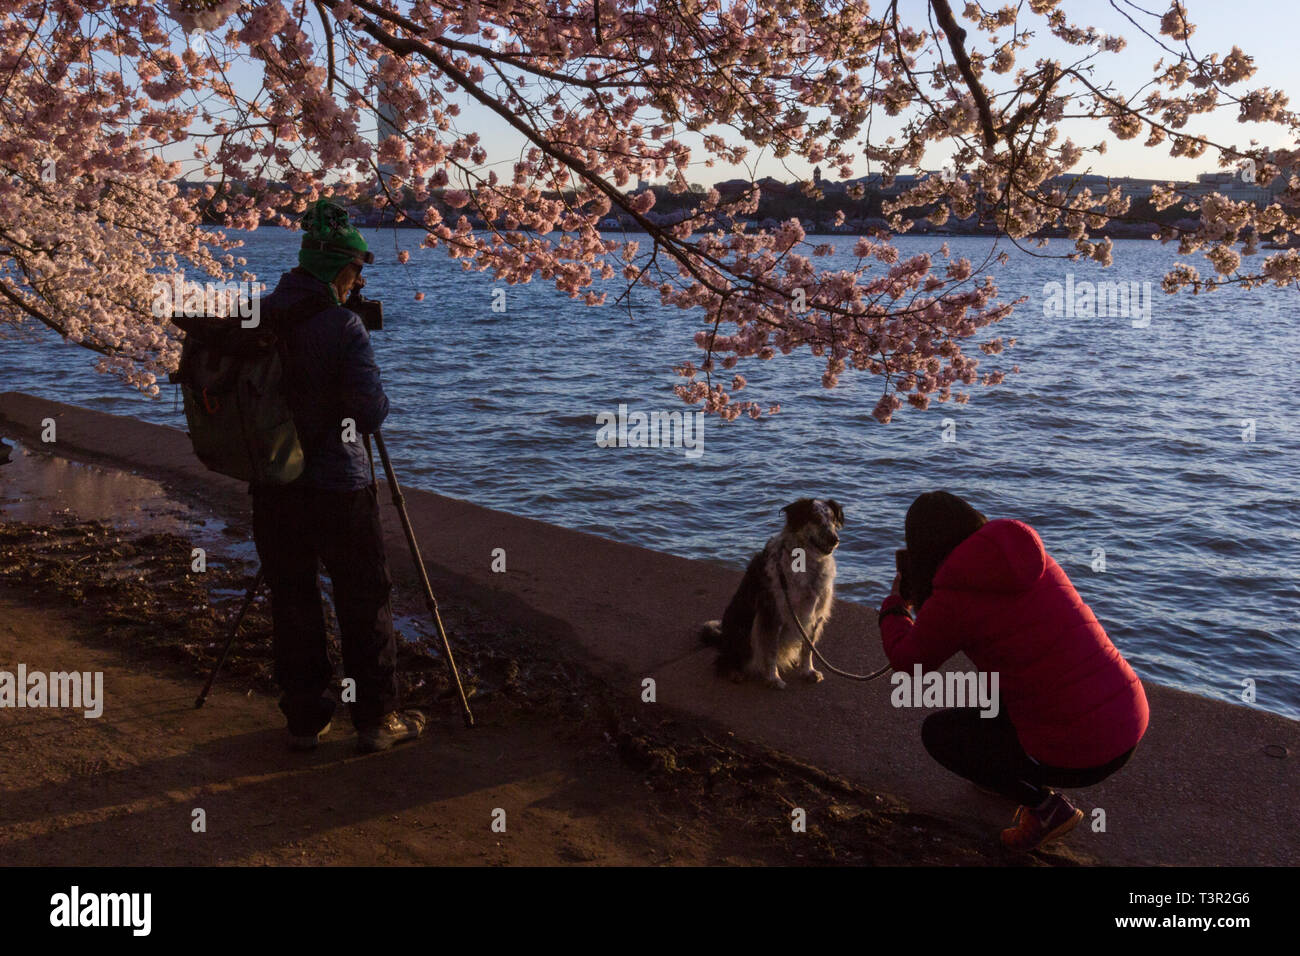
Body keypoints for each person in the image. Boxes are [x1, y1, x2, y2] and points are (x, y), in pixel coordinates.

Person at [877, 491, 1149, 852]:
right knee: (994, 688)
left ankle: (1046, 807)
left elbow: (907, 662)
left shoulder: (952, 596)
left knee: (941, 734)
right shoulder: (1031, 556)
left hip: (1084, 754)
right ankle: (1006, 773)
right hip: (1130, 714)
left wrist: (895, 607)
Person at [253, 199, 425, 754]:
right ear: (336, 270)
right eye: (354, 272)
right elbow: (369, 413)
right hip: (337, 485)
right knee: (363, 596)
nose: (358, 283)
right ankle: (375, 719)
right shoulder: (343, 324)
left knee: (292, 595)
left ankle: (304, 718)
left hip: (275, 481)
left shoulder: (260, 312)